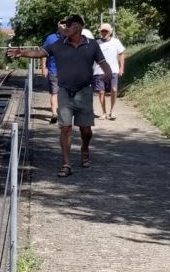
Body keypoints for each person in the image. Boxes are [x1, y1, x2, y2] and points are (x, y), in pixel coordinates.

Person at [7, 14, 112, 178]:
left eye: (70, 25)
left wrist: (108, 73)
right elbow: (40, 52)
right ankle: (66, 163)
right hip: (64, 92)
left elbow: (102, 62)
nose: (66, 28)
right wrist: (22, 52)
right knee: (65, 128)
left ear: (79, 27)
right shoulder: (58, 44)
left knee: (86, 130)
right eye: (65, 25)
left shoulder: (91, 45)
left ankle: (85, 149)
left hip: (84, 91)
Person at [93, 23, 125, 120]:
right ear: (100, 32)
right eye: (102, 31)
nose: (104, 33)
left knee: (114, 90)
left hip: (113, 70)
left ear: (110, 32)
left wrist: (121, 67)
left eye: (106, 31)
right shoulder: (96, 43)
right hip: (99, 70)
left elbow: (121, 53)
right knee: (101, 92)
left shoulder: (116, 42)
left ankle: (112, 111)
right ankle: (103, 112)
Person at [40, 20, 67, 124]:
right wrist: (43, 67)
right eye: (63, 27)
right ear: (59, 28)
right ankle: (54, 113)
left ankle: (62, 112)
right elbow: (43, 53)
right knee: (55, 92)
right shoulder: (51, 38)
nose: (65, 29)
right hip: (54, 69)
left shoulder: (71, 37)